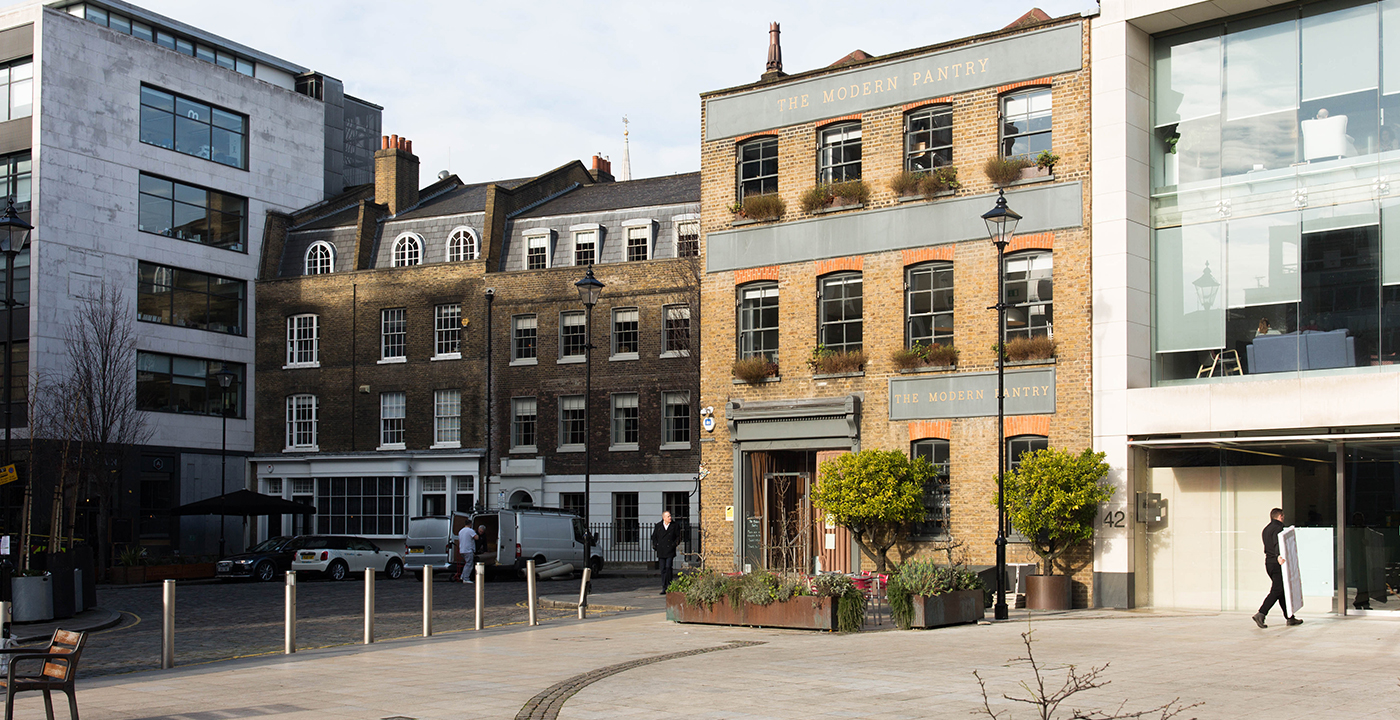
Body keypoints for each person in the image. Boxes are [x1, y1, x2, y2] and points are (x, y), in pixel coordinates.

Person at [1253, 508, 1302, 628]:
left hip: (1269, 563)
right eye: (1283, 516)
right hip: (1276, 563)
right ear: (1280, 516)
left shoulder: (1266, 529)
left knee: (1281, 591)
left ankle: (1290, 618)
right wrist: (1278, 556)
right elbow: (1277, 543)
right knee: (1277, 590)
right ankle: (1261, 613)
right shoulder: (1278, 528)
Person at [651, 510, 681, 596]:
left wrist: (674, 544)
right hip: (661, 550)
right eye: (668, 516)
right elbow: (654, 537)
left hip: (670, 550)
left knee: (668, 567)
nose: (670, 518)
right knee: (663, 569)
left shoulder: (675, 525)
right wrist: (656, 545)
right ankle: (664, 586)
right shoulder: (658, 526)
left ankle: (670, 585)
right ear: (664, 518)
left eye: (670, 516)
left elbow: (678, 536)